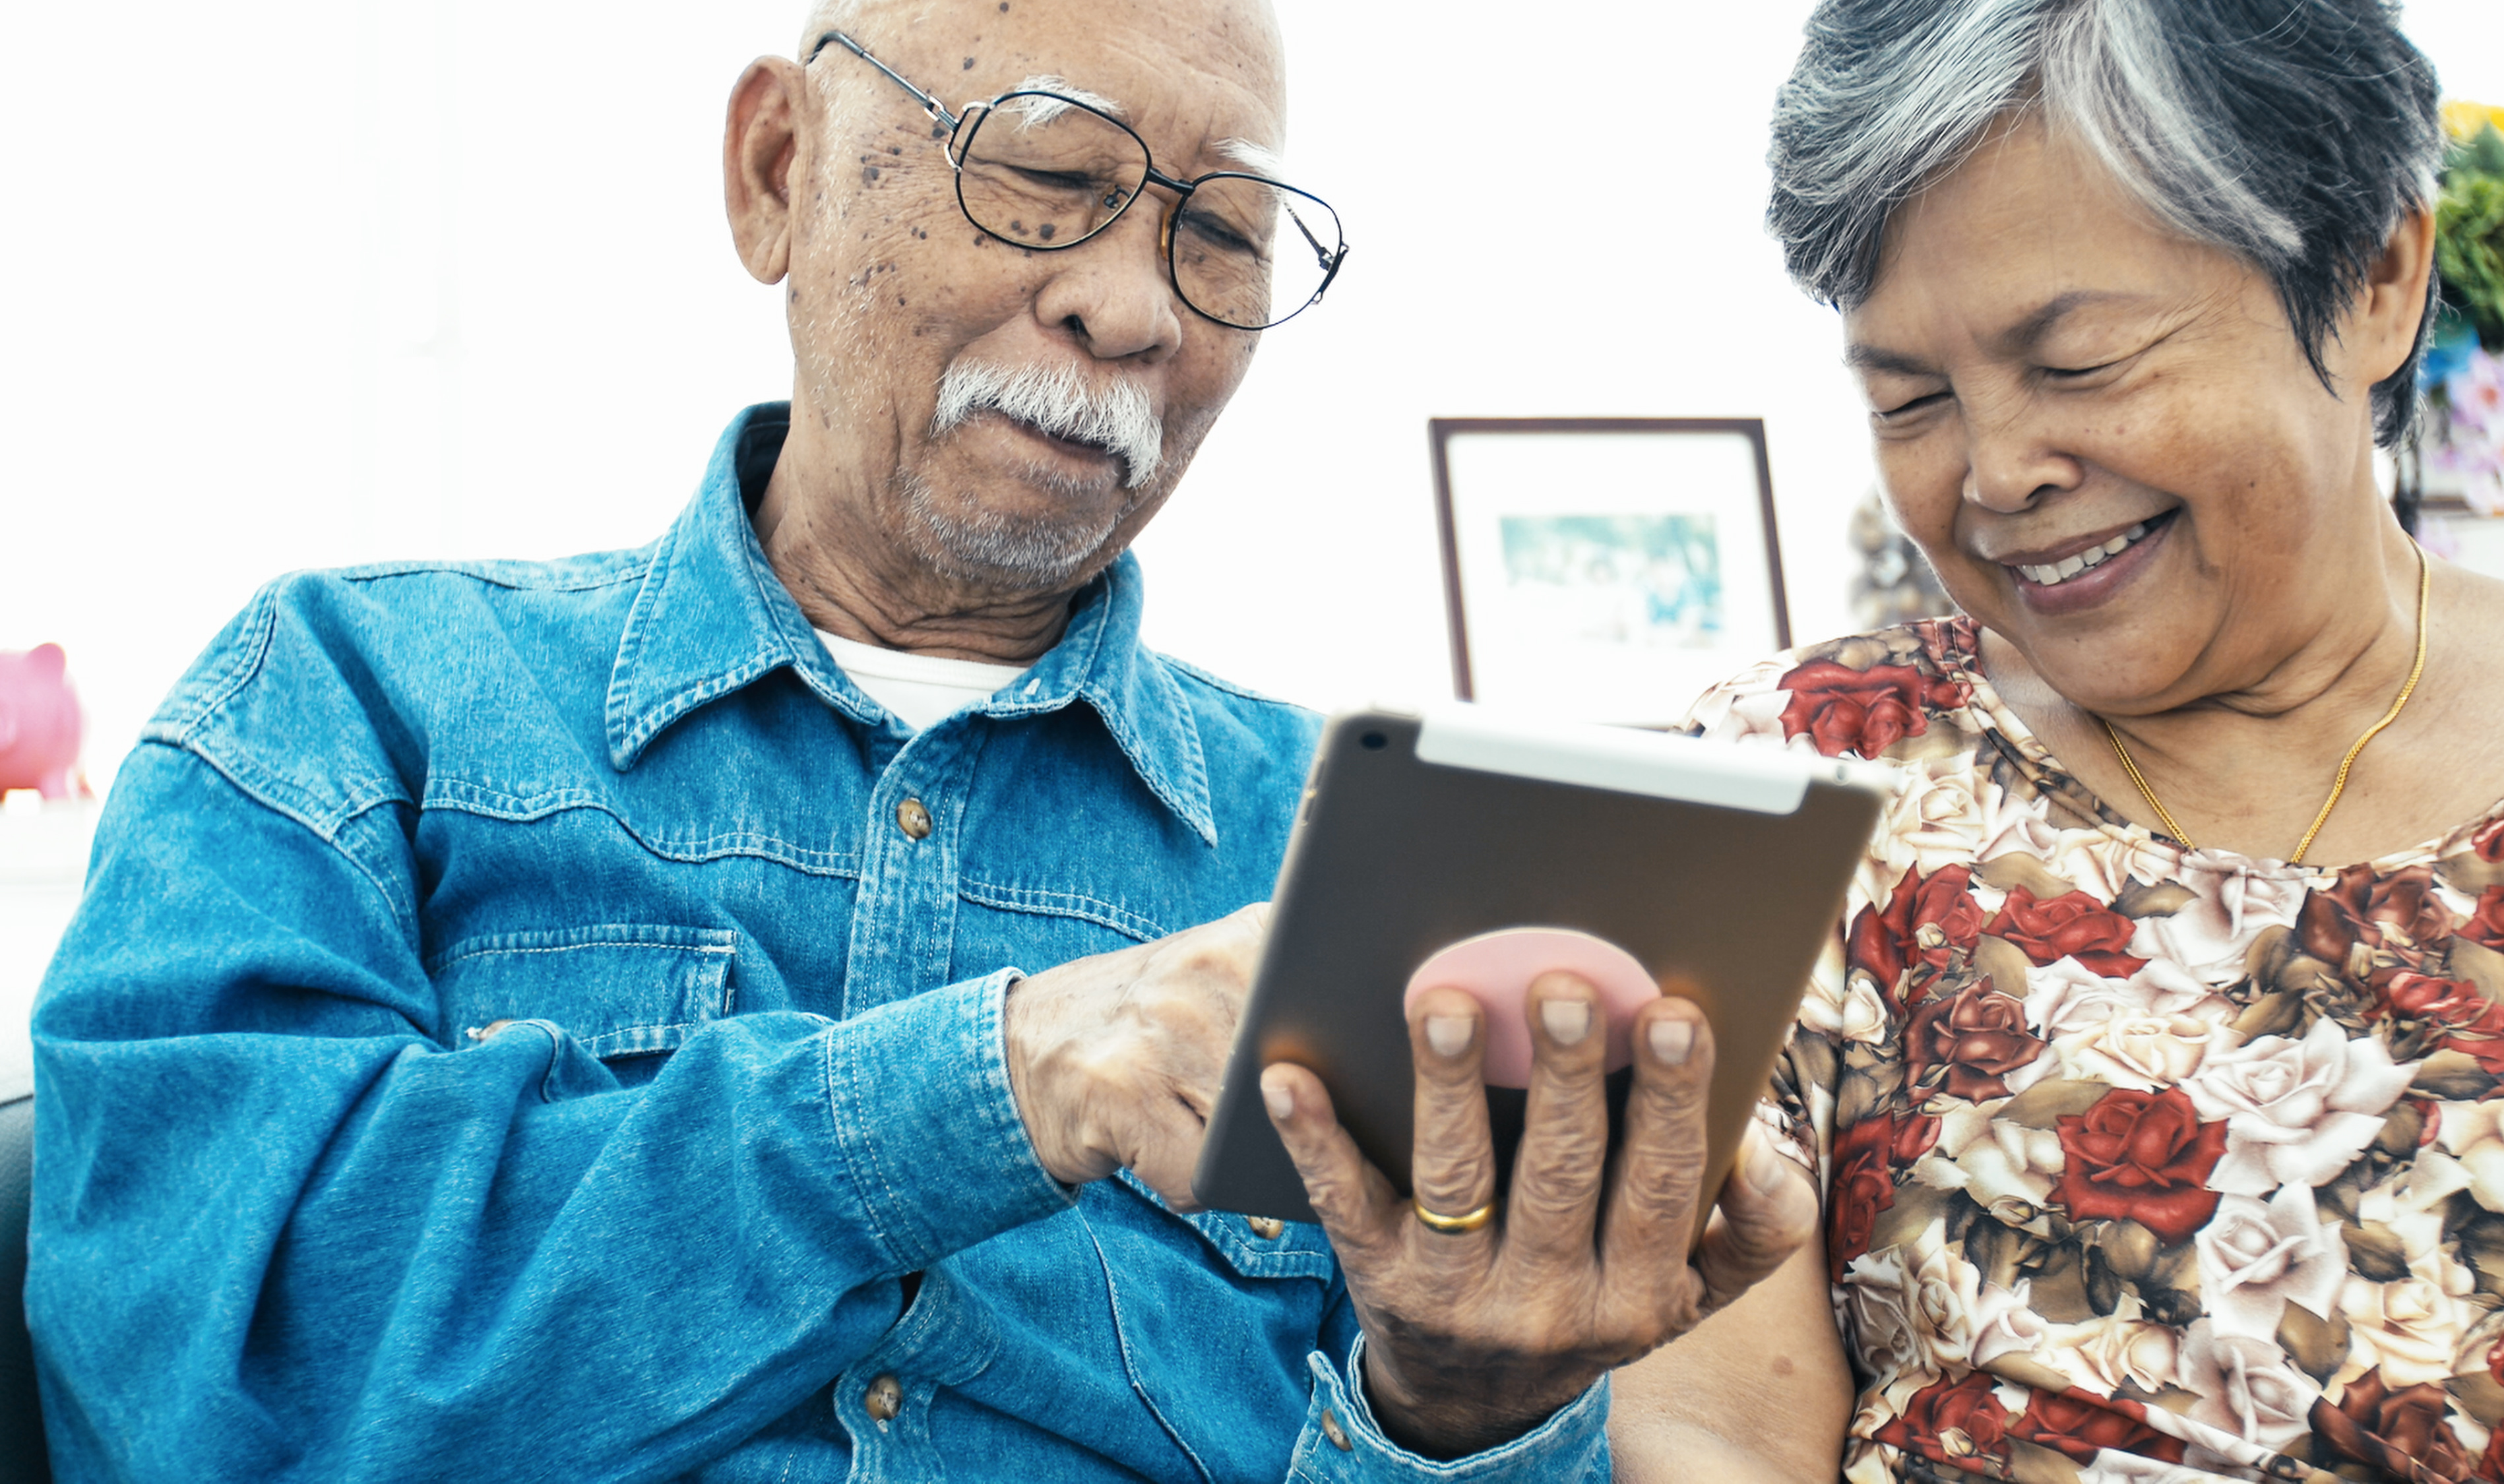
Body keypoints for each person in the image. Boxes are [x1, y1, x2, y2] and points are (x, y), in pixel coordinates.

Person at [24, 0, 1815, 1477]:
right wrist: (1005, 1079)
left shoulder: (1358, 857)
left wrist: (1468, 1411)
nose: (1132, 309)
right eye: (1047, 175)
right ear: (778, 174)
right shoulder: (352, 705)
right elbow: (189, 1378)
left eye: (1218, 239)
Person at [1611, 1, 2504, 1481]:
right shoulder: (1771, 784)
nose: (1995, 474)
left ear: (2374, 277)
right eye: (1909, 399)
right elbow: (1699, 1427)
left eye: (2081, 362)